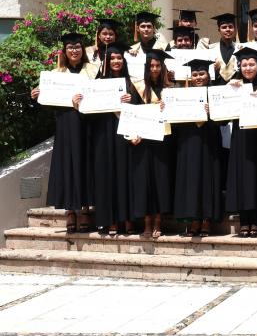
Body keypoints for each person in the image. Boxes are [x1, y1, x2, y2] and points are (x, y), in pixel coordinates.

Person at [30, 32, 95, 232]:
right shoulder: (56, 73)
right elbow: (49, 101)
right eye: (70, 48)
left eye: (77, 47)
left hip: (87, 122)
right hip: (66, 123)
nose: (74, 50)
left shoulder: (92, 70)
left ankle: (84, 210)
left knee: (84, 164)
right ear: (64, 51)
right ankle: (70, 211)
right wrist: (38, 96)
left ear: (82, 50)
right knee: (67, 165)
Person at [86, 43, 137, 235]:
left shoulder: (131, 84)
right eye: (112, 59)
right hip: (103, 133)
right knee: (105, 176)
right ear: (106, 62)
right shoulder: (96, 84)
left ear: (123, 61)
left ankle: (127, 218)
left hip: (124, 133)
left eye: (119, 58)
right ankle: (110, 220)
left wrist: (130, 100)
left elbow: (139, 108)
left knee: (125, 175)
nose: (116, 61)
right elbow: (89, 111)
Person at [172, 57, 224, 236]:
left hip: (209, 141)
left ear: (208, 75)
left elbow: (224, 121)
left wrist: (214, 111)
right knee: (191, 178)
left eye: (202, 73)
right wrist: (167, 107)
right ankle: (193, 219)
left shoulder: (216, 93)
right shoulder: (182, 94)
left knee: (208, 177)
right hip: (188, 141)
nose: (198, 77)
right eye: (194, 74)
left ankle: (207, 220)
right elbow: (174, 122)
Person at [128, 49, 174, 238]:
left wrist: (168, 106)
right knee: (145, 180)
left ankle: (158, 220)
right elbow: (130, 113)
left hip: (163, 139)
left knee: (160, 180)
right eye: (151, 66)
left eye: (157, 66)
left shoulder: (170, 88)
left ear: (162, 67)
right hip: (143, 140)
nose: (154, 69)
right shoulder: (137, 87)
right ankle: (147, 221)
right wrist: (132, 134)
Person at [225, 47, 257, 238]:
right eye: (244, 65)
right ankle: (245, 220)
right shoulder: (234, 86)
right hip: (241, 136)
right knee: (243, 176)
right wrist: (229, 89)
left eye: (252, 64)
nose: (248, 68)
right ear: (239, 67)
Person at [209, 13, 240, 83]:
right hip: (216, 88)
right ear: (219, 30)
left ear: (235, 29)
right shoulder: (211, 49)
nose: (228, 29)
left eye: (230, 27)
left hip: (236, 88)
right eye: (224, 27)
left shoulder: (240, 49)